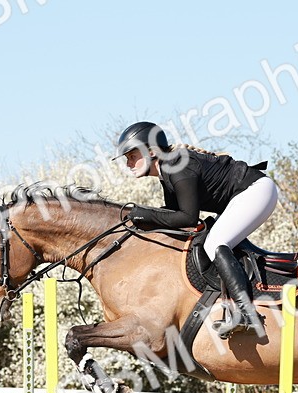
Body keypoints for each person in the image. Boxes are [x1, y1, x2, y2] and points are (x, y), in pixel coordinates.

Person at [113, 121, 277, 338]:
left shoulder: (178, 166)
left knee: (215, 243)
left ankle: (246, 313)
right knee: (211, 240)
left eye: (132, 156)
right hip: (241, 197)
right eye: (127, 158)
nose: (128, 163)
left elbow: (188, 217)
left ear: (151, 152)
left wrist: (143, 213)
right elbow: (174, 216)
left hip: (255, 191)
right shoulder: (167, 170)